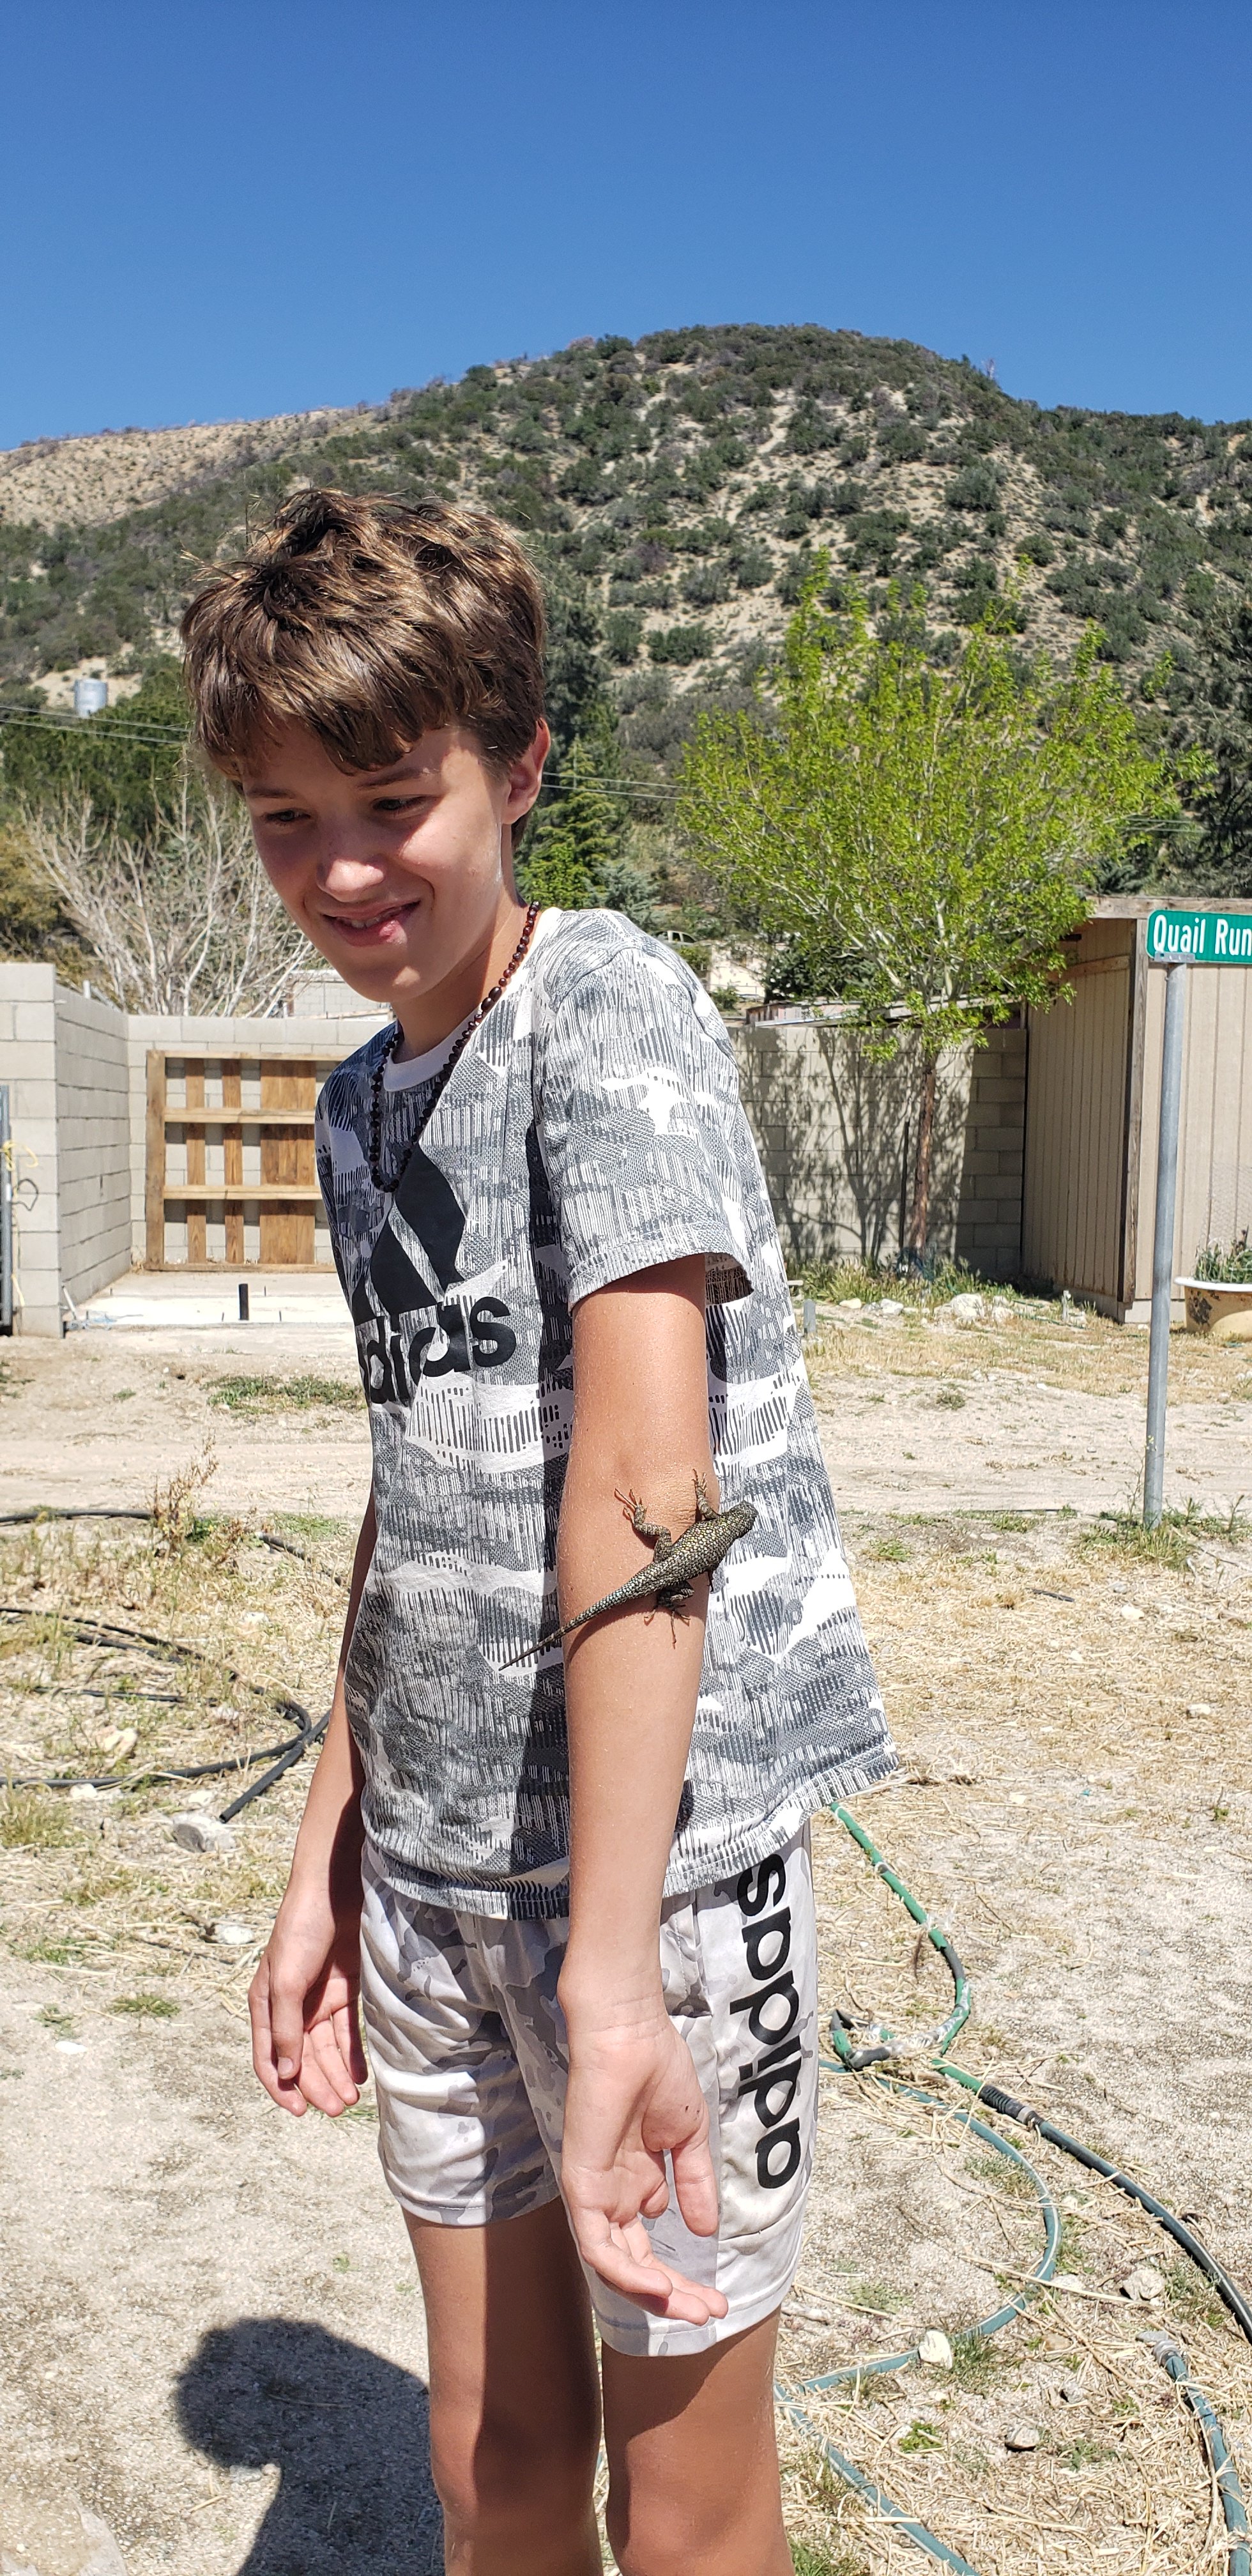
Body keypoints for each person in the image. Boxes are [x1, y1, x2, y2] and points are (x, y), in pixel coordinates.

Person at [181, 488, 894, 2576]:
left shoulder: (609, 1008)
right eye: (285, 818)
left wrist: (616, 1987)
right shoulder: (354, 1111)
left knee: (683, 2503)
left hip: (654, 1892)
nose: (341, 870)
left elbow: (647, 1491)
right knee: (489, 2456)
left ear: (520, 768)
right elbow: (421, 1487)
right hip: (432, 1879)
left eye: (392, 799)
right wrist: (326, 1853)